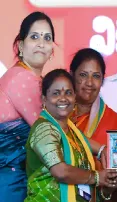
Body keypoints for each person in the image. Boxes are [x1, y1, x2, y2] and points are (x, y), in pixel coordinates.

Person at [25, 69, 117, 201]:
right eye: (56, 93)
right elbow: (61, 172)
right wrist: (97, 177)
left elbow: (82, 189)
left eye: (68, 93)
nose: (63, 98)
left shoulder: (73, 134)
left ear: (74, 97)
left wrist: (107, 188)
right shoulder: (43, 129)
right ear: (44, 99)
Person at [0, 11, 55, 201]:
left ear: (52, 50)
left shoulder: (37, 80)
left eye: (47, 38)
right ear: (21, 46)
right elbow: (52, 132)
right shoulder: (20, 78)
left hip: (21, 179)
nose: (41, 43)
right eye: (34, 37)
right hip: (10, 183)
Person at [69, 48, 117, 202]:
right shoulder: (58, 117)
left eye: (96, 76)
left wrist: (108, 190)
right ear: (72, 75)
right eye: (83, 75)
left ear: (103, 80)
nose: (89, 83)